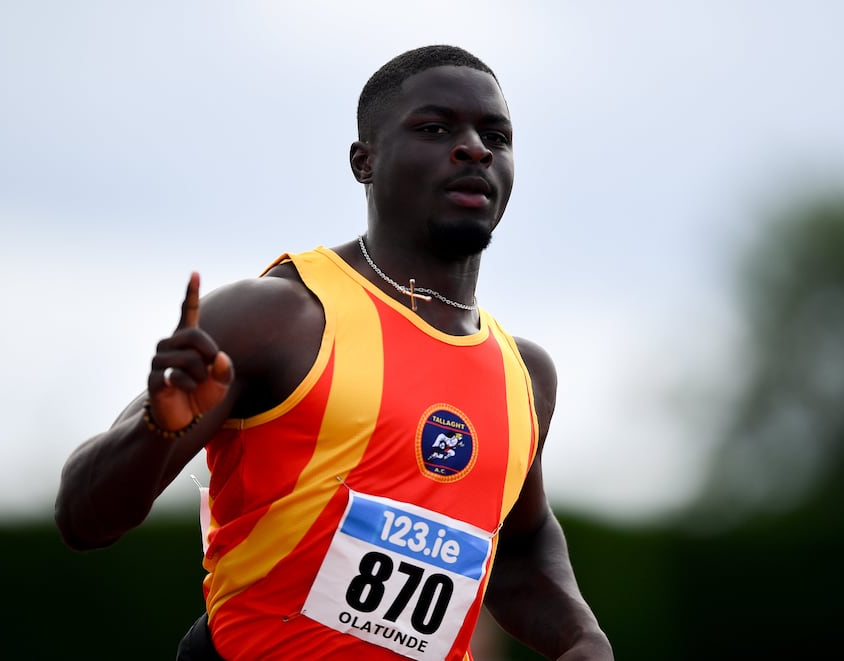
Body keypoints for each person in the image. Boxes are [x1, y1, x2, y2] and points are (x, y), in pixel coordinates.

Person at [55, 45, 614, 661]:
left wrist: (581, 638)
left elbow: (523, 547)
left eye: (496, 136)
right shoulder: (275, 319)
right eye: (435, 128)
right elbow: (84, 519)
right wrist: (155, 430)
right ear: (363, 161)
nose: (475, 148)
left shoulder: (524, 377)